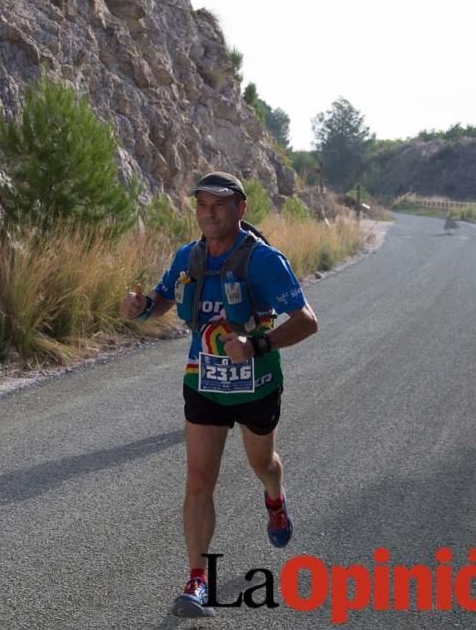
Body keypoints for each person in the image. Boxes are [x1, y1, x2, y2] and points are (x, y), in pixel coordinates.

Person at [120, 171, 319, 618]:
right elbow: (162, 298)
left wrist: (257, 344)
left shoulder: (264, 261)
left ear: (240, 209)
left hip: (257, 383)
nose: (209, 215)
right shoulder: (188, 257)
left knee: (261, 464)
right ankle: (196, 580)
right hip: (203, 382)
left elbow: (307, 320)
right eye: (202, 206)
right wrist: (140, 308)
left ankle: (275, 498)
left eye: (220, 205)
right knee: (198, 481)